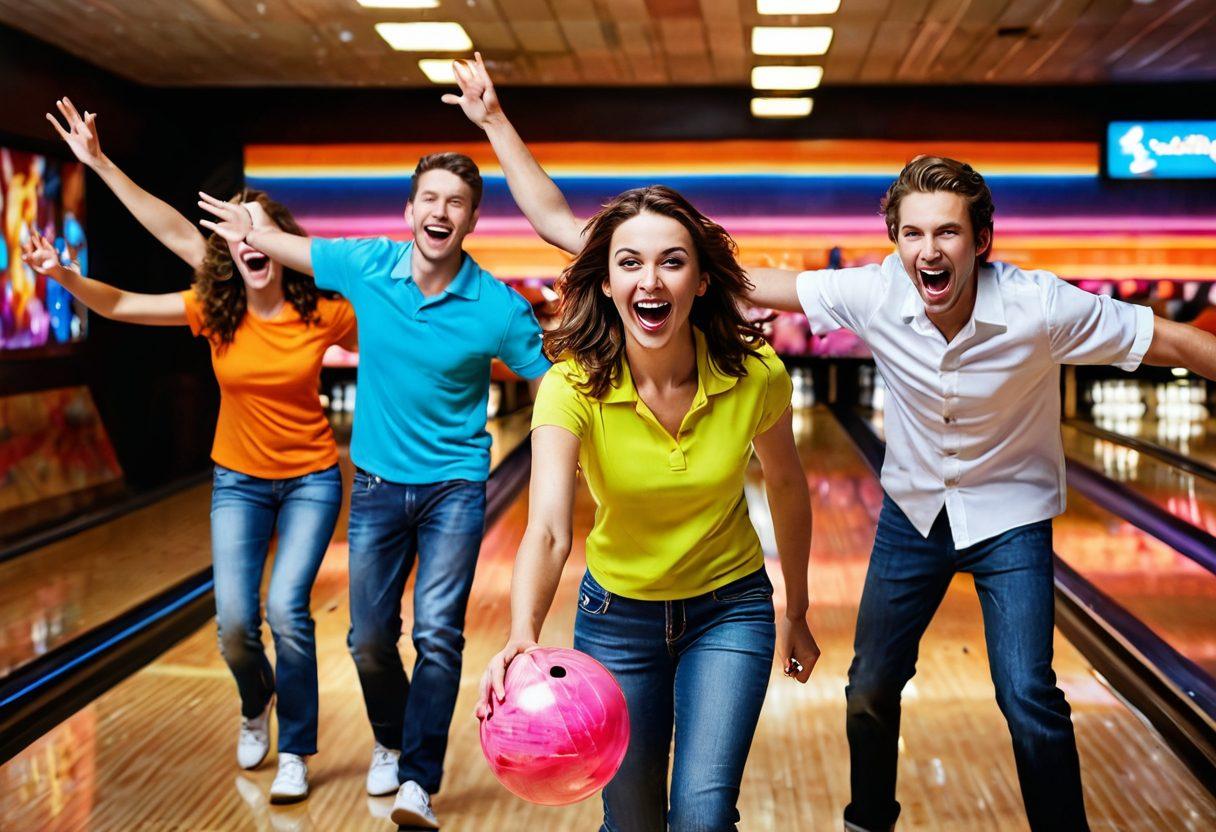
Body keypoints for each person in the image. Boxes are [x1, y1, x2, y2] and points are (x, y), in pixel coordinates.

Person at [747, 155, 1216, 832]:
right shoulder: (876, 292)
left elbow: (1170, 338)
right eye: (912, 234)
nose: (928, 250)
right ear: (896, 242)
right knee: (870, 686)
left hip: (1011, 518)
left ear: (981, 241)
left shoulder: (1041, 305)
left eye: (947, 233)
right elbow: (757, 284)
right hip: (912, 516)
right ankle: (867, 821)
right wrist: (624, 250)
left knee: (1028, 693)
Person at [447, 55, 821, 832]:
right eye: (630, 263)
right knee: (634, 820)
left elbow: (787, 485)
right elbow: (548, 527)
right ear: (608, 283)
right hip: (616, 618)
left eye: (673, 262)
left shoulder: (754, 372)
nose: (651, 279)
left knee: (704, 813)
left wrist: (798, 609)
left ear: (703, 281)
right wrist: (520, 638)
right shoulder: (573, 386)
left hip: (732, 611)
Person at [196, 150, 550, 830]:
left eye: (455, 202)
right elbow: (291, 249)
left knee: (438, 635)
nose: (440, 211)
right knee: (367, 639)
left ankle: (419, 779)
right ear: (409, 210)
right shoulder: (369, 266)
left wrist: (564, 454)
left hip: (457, 487)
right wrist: (249, 228)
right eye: (430, 198)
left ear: (473, 219)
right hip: (380, 488)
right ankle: (392, 733)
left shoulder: (497, 307)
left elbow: (550, 382)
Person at [35, 99, 360, 805]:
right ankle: (257, 702)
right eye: (235, 231)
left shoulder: (327, 312)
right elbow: (122, 299)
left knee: (287, 612)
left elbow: (396, 340)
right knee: (236, 625)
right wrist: (90, 189)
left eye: (261, 230)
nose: (247, 242)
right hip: (238, 480)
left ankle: (297, 749)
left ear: (282, 244)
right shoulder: (216, 307)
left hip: (309, 478)